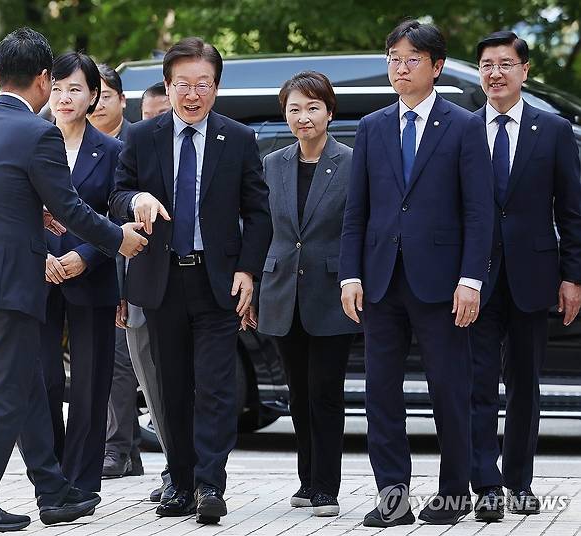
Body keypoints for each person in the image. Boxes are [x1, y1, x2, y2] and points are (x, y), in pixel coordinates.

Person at [0, 27, 146, 532]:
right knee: (6, 395)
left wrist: (35, 216)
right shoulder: (38, 132)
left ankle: (53, 492)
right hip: (7, 290)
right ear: (43, 79)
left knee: (26, 385)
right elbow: (71, 207)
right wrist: (119, 239)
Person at [109, 37, 272, 525]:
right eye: (183, 84)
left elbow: (259, 214)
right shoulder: (143, 136)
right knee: (172, 387)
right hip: (162, 281)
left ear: (216, 88)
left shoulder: (238, 139)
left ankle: (210, 485)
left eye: (203, 84)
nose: (192, 94)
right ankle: (178, 482)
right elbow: (115, 195)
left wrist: (247, 270)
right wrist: (135, 199)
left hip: (217, 281)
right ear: (168, 85)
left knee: (218, 388)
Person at [339, 20, 494, 526]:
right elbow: (356, 210)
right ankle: (392, 496)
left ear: (437, 66)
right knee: (380, 392)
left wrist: (472, 279)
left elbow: (479, 211)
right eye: (393, 59)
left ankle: (454, 492)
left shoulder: (466, 125)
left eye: (411, 59)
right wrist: (350, 275)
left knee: (450, 390)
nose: (400, 68)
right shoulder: (372, 125)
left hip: (443, 283)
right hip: (381, 281)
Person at [470, 31, 581, 521]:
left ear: (524, 71)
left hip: (536, 276)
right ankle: (485, 484)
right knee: (475, 385)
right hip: (474, 280)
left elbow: (573, 210)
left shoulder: (553, 130)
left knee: (524, 386)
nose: (496, 73)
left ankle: (519, 482)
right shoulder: (462, 129)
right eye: (487, 65)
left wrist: (572, 276)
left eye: (506, 64)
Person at [250, 71, 362, 517]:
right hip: (282, 289)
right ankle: (305, 477)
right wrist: (252, 282)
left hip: (334, 290)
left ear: (330, 112)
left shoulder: (353, 162)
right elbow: (262, 227)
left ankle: (326, 486)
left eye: (313, 107)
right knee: (297, 392)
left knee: (325, 391)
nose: (304, 117)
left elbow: (359, 228)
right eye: (294, 109)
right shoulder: (272, 163)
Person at [40, 51, 123, 493]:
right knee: (45, 380)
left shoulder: (112, 151)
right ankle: (51, 475)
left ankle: (82, 480)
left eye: (75, 89)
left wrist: (86, 256)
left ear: (93, 95)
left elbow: (115, 216)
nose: (64, 97)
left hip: (92, 277)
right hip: (39, 275)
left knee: (91, 384)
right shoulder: (33, 140)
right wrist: (43, 257)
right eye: (57, 88)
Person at [113, 81, 174, 499]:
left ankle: (189, 467)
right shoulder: (131, 151)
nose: (157, 123)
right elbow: (113, 212)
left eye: (163, 115)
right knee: (150, 382)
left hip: (192, 285)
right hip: (140, 286)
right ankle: (174, 465)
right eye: (149, 116)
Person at [88, 63, 144, 480]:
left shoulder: (136, 143)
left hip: (129, 265)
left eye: (106, 95)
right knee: (104, 361)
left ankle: (117, 448)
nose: (97, 103)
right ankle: (125, 449)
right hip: (84, 265)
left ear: (122, 100)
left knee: (124, 362)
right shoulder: (71, 142)